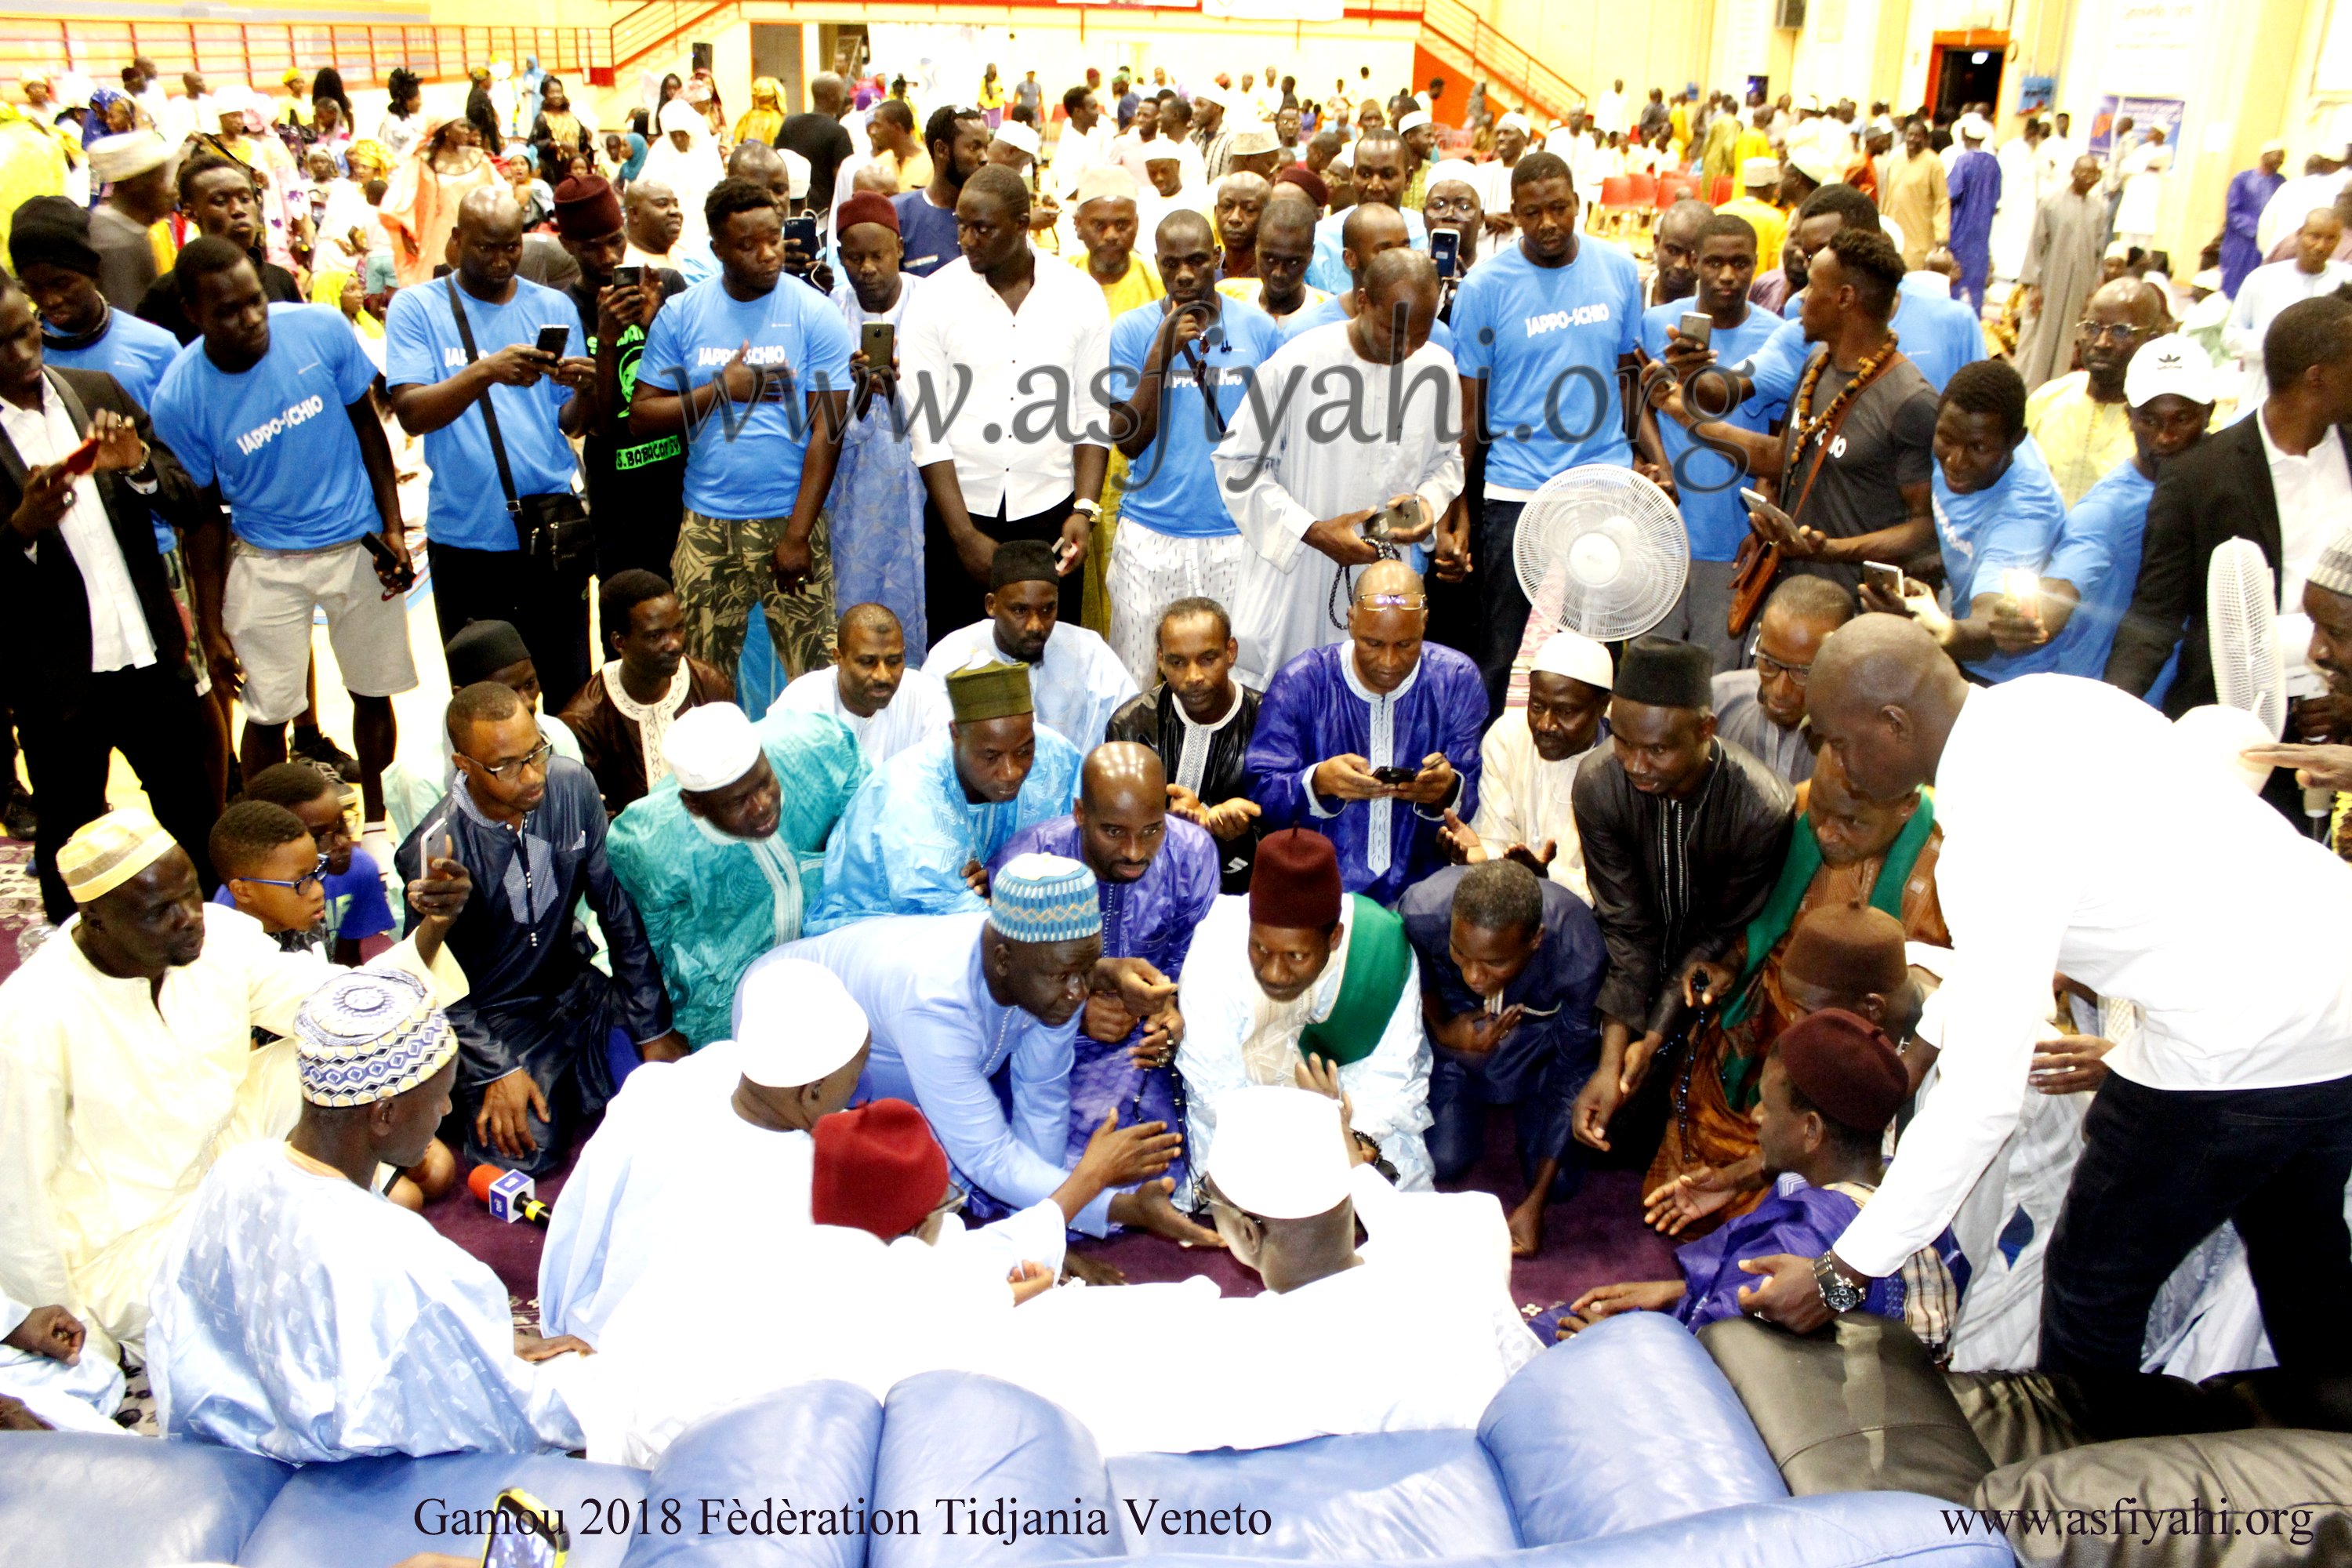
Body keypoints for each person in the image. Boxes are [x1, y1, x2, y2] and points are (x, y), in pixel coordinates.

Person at [1744, 615, 2352, 1381]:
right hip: (2339, 989)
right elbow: (2023, 938)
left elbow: (1981, 1105)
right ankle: (2332, 1460)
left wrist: (1840, 1274)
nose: (1836, 760)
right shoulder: (2051, 701)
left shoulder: (1992, 842)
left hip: (2234, 1045)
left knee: (2090, 1291)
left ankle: (2087, 1496)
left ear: (1893, 723)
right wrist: (1926, 1042)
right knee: (2306, 1274)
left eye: (1837, 739)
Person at [0, 806, 470, 1366]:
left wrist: (431, 932)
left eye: (190, 895)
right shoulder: (32, 1015)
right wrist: (50, 1309)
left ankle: (341, 1214)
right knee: (296, 1304)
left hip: (227, 1153)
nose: (189, 919)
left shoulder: (217, 936)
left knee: (323, 1045)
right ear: (95, 919)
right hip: (132, 1238)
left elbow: (335, 1002)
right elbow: (17, 1192)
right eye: (160, 912)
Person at [146, 966, 592, 1462]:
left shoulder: (234, 1172)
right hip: (343, 1488)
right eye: (440, 1094)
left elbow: (174, 1328)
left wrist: (485, 1346)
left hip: (222, 1449)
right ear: (383, 1114)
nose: (446, 1110)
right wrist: (535, 1375)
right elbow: (498, 1417)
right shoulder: (399, 1255)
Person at [774, 852, 1208, 1240]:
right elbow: (990, 1157)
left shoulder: (1052, 968)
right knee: (887, 1200)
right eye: (1064, 977)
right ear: (1003, 961)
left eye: (1087, 970)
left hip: (897, 1069)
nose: (1080, 993)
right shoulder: (936, 1003)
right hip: (785, 1035)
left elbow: (1042, 1094)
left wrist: (1049, 1228)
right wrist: (1112, 1203)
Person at [149, 239, 416, 827]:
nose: (250, 320)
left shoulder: (321, 329)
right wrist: (212, 623)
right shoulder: (179, 397)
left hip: (359, 547)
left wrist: (393, 528)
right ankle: (276, 835)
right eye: (228, 311)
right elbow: (202, 519)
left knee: (373, 693)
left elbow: (369, 428)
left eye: (255, 302)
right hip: (265, 558)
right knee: (268, 712)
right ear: (194, 314)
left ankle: (374, 823)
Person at [0, 270, 218, 923]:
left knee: (195, 816)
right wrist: (23, 530)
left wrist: (141, 469)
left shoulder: (97, 392)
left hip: (152, 655)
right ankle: (84, 978)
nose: (22, 355)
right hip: (57, 686)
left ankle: (215, 945)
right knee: (73, 843)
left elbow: (187, 496)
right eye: (1, 346)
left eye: (25, 331)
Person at [399, 681, 684, 1176]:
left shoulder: (572, 787)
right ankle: (486, 1094)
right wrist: (496, 1068)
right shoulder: (435, 850)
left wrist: (653, 1025)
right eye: (507, 765)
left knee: (674, 1083)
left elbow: (617, 912)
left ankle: (576, 1077)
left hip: (575, 989)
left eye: (537, 751)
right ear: (462, 766)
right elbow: (427, 980)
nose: (532, 775)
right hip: (495, 1018)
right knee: (528, 1149)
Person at [1641, 757, 1941, 1221]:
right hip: (1775, 1012)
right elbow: (1764, 917)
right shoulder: (1798, 805)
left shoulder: (1950, 857)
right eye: (1820, 814)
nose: (1825, 833)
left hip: (1862, 1055)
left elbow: (1925, 1007)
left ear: (1905, 808)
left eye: (1850, 823)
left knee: (1809, 1210)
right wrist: (1733, 964)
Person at [1567, 1009, 1959, 1350]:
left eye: (1767, 1105)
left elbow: (1710, 1352)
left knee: (1555, 1337)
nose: (1754, 1116)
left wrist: (1615, 1342)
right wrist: (1681, 1292)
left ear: (1811, 1131)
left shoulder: (1807, 1240)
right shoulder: (1899, 1187)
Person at [539, 955, 869, 1345]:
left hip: (595, 1319)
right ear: (811, 1090)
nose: (854, 1094)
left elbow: (577, 1222)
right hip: (663, 1368)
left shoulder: (676, 1083)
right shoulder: (799, 1188)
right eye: (851, 1081)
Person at [1568, 635, 1795, 1154]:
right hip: (1625, 971)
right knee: (1593, 1130)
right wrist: (1614, 1062)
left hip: (1713, 984)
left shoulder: (1761, 807)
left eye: (1659, 749)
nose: (1636, 765)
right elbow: (1627, 927)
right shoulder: (1600, 784)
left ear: (1705, 730)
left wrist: (1654, 1036)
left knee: (1662, 1137)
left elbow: (1721, 933)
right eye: (1623, 741)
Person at [633, 177, 854, 688]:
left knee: (816, 679)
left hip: (789, 517)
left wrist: (798, 534)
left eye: (774, 239)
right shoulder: (682, 313)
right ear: (717, 250)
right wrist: (721, 388)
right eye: (748, 245)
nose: (768, 254)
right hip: (707, 522)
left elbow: (830, 430)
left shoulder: (814, 314)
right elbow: (644, 414)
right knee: (700, 680)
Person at [386, 189, 596, 712]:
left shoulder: (551, 305)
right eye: (486, 248)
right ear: (456, 242)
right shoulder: (417, 308)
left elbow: (567, 421)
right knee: (487, 700)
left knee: (567, 683)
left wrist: (588, 388)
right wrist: (486, 370)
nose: (501, 261)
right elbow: (412, 411)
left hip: (548, 532)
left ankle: (570, 790)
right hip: (467, 541)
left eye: (511, 247)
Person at [1451, 152, 1646, 706]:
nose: (1548, 223)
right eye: (1533, 212)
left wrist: (1649, 458)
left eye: (1559, 208)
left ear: (1578, 205)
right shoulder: (1485, 288)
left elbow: (1628, 375)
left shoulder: (1618, 270)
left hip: (1603, 482)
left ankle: (1594, 775)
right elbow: (1471, 410)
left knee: (1598, 645)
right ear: (1514, 214)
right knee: (1497, 646)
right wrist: (1459, 506)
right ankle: (1476, 771)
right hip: (1516, 487)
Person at [1214, 251, 1460, 685]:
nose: (1403, 349)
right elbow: (1237, 463)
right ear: (1363, 301)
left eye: (1418, 337)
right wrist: (1314, 531)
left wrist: (1426, 504)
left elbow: (1447, 462)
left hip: (1383, 584)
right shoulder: (1298, 362)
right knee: (1290, 704)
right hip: (1297, 579)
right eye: (1391, 331)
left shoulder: (1437, 369)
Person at [992, 742, 1218, 1199]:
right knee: (1045, 1159)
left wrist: (1172, 1014)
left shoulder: (1192, 854)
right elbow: (1001, 983)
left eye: (1152, 829)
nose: (1135, 852)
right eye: (1114, 831)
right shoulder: (1032, 863)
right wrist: (1075, 1012)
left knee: (1164, 1151)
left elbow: (1195, 964)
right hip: (1044, 1040)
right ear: (1080, 814)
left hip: (1140, 1052)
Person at [2109, 297, 2352, 720]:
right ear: (2319, 378)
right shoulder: (2197, 476)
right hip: (2232, 720)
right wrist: (2108, 711)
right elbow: (2155, 614)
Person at [1685, 225, 1940, 599]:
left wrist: (1833, 550)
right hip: (1791, 591)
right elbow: (1781, 457)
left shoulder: (1910, 401)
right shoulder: (1816, 362)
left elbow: (1926, 528)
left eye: (1812, 286)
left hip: (1856, 610)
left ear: (1845, 298)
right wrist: (1686, 407)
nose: (1800, 300)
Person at [1177, 826, 1432, 1189]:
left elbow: (1391, 1074)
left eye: (1296, 956)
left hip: (1349, 1112)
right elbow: (1213, 1093)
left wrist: (1354, 1136)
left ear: (1335, 937)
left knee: (1398, 1186)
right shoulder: (1216, 948)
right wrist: (1305, 1126)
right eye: (1260, 949)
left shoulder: (1379, 948)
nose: (1274, 973)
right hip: (1250, 1124)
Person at [609, 701, 866, 1049]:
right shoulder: (653, 846)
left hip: (827, 957)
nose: (762, 805)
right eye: (737, 801)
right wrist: (659, 1029)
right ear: (695, 805)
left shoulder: (818, 748)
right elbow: (642, 949)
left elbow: (870, 828)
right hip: (723, 1001)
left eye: (765, 782)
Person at [1103, 211, 1284, 685]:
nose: (1184, 275)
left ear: (1220, 259)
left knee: (1238, 680)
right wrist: (1158, 356)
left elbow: (1276, 438)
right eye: (1171, 264)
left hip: (1236, 534)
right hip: (1149, 534)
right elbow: (1128, 440)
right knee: (1137, 678)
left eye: (1198, 261)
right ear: (1157, 264)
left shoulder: (1260, 331)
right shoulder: (1130, 329)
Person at [1247, 559, 1483, 906]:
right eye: (1373, 643)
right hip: (1317, 888)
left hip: (1424, 892)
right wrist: (1318, 783)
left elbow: (1472, 793)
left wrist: (1446, 790)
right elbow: (1261, 791)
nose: (1389, 662)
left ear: (1425, 623)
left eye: (1406, 645)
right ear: (1351, 621)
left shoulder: (1456, 680)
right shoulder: (1303, 681)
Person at [1402, 857, 1604, 1254]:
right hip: (1456, 1039)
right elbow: (1408, 966)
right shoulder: (1422, 911)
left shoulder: (1577, 947)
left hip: (1537, 1045)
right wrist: (1444, 1028)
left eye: (1495, 961)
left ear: (1535, 940)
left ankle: (1525, 1102)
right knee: (1443, 1160)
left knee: (1559, 1184)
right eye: (1460, 954)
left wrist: (1536, 1201)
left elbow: (1574, 1069)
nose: (1474, 976)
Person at [2006, 334, 2219, 681]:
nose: (2166, 436)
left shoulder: (2220, 480)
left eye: (2182, 419)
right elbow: (2062, 586)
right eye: (2150, 420)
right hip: (2104, 697)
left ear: (2208, 414)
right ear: (2129, 416)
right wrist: (2031, 618)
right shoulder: (2108, 511)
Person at [811, 659, 1083, 929]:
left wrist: (1004, 875)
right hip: (877, 931)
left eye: (1025, 751)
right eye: (991, 756)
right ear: (956, 734)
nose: (1011, 772)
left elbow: (1086, 839)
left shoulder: (1055, 757)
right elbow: (957, 922)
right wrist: (1015, 891)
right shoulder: (908, 797)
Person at [1641, 212, 1784, 669]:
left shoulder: (1777, 338)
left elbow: (1782, 439)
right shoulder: (1653, 325)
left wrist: (1764, 511)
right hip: (1661, 538)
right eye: (1715, 262)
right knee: (1652, 672)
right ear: (1696, 262)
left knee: (1714, 682)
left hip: (1733, 546)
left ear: (1757, 265)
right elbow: (1636, 407)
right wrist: (1655, 464)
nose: (1727, 276)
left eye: (1740, 264)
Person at [1881, 360, 2068, 684]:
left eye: (1978, 448)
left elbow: (1989, 617)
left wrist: (1942, 630)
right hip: (1961, 644)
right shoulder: (1962, 435)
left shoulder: (2028, 512)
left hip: (2009, 677)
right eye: (1946, 438)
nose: (1955, 460)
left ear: (2016, 441)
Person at [549, 174, 690, 583]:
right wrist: (607, 341)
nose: (610, 257)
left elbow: (692, 387)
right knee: (629, 631)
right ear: (568, 246)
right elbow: (602, 426)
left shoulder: (668, 287)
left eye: (615, 240)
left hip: (681, 490)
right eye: (593, 247)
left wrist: (655, 325)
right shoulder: (567, 311)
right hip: (618, 505)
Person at [826, 189, 929, 652]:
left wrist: (903, 391)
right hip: (853, 495)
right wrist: (861, 392)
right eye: (854, 257)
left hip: (924, 484)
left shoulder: (933, 304)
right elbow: (823, 416)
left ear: (900, 249)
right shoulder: (830, 311)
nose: (866, 268)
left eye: (877, 255)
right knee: (856, 602)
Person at [1109, 597, 1266, 895]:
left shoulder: (1269, 723)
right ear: (1160, 659)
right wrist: (1169, 825)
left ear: (1231, 652)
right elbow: (1113, 830)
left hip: (1237, 901)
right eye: (1177, 662)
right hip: (1143, 893)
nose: (1193, 677)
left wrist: (1233, 838)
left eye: (1207, 659)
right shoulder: (1131, 725)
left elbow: (1286, 838)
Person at [1439, 630, 1612, 902]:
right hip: (1504, 893)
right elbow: (1497, 841)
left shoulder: (1618, 768)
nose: (1546, 725)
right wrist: (1482, 855)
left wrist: (1546, 877)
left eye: (1566, 712)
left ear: (1603, 706)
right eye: (1537, 706)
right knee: (1423, 903)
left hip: (1579, 910)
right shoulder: (1508, 737)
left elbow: (1611, 886)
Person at [925, 538, 1135, 750]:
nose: (1036, 625)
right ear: (991, 605)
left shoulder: (1089, 651)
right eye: (1020, 611)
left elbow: (1130, 725)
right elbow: (934, 749)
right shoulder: (951, 658)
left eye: (1047, 609)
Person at [559, 570, 733, 815]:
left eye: (679, 628)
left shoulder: (709, 685)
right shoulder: (585, 721)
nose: (674, 644)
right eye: (655, 635)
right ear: (619, 642)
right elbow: (597, 820)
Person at [2022, 276, 2168, 509]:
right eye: (2092, 329)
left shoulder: (2158, 424)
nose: (2102, 342)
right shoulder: (2047, 400)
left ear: (2151, 340)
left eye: (2120, 332)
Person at [234, 762, 397, 965]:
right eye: (319, 836)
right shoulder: (243, 898)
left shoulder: (358, 870)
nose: (342, 842)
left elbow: (346, 961)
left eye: (343, 823)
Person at [135, 157, 303, 346]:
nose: (238, 210)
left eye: (245, 199)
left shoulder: (281, 280)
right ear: (190, 213)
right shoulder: (167, 293)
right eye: (221, 201)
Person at [1711, 575, 1854, 786]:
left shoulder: (1860, 741)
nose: (1780, 690)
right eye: (1768, 662)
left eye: (1803, 672)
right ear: (1759, 639)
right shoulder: (1718, 701)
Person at [773, 601, 953, 764]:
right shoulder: (803, 704)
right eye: (868, 662)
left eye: (894, 661)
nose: (883, 676)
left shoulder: (925, 697)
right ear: (839, 658)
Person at [2224, 207, 2351, 414]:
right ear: (2300, 234)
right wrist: (2279, 347)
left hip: (2320, 399)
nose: (2321, 246)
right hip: (2262, 389)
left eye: (2331, 239)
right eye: (2315, 236)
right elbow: (2231, 336)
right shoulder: (2262, 279)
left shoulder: (2345, 280)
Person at [2015, 156, 2108, 390]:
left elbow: (2099, 254)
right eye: (2084, 173)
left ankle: (2055, 390)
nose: (2089, 179)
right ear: (2073, 173)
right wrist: (2034, 285)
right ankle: (2028, 390)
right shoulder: (2051, 203)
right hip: (2048, 283)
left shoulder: (2099, 210)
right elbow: (2037, 245)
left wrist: (2092, 292)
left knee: (2068, 339)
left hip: (2079, 286)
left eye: (2093, 175)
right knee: (2039, 338)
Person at [377, 117, 499, 289]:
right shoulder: (424, 161)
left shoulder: (478, 158)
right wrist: (404, 232)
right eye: (462, 126)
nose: (467, 131)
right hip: (439, 232)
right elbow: (401, 197)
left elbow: (499, 191)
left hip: (475, 229)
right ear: (447, 130)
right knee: (441, 279)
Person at [80, 130, 175, 309]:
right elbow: (133, 317)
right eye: (161, 180)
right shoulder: (117, 244)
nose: (170, 191)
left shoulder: (122, 230)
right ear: (133, 185)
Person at [893, 106, 989, 277]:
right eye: (974, 148)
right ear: (941, 149)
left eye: (985, 148)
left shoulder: (994, 214)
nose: (984, 158)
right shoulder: (899, 215)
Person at [639, 100, 722, 256]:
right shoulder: (660, 150)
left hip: (703, 229)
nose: (678, 140)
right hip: (669, 232)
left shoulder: (707, 152)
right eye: (673, 135)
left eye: (682, 134)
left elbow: (718, 192)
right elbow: (644, 188)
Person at [776, 74, 855, 220]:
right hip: (824, 215)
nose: (843, 99)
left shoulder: (790, 124)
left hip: (791, 211)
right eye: (841, 93)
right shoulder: (838, 132)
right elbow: (843, 178)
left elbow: (777, 162)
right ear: (832, 96)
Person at [1944, 114, 2000, 316]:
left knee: (1957, 275)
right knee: (1976, 277)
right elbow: (1996, 199)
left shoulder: (1964, 161)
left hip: (1961, 229)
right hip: (1982, 231)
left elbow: (1951, 192)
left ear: (1965, 137)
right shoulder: (1994, 164)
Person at [1879, 119, 1949, 271]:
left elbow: (1942, 201)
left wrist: (1942, 236)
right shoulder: (1897, 160)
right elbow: (1887, 194)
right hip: (1892, 231)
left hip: (1918, 236)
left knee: (1911, 271)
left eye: (1917, 136)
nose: (1912, 139)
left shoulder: (1934, 164)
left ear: (1926, 140)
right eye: (1910, 135)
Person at [2223, 143, 2290, 297]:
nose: (2279, 162)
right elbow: (2233, 212)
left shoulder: (2281, 182)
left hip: (2267, 242)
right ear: (2264, 156)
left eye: (2282, 159)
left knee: (2258, 283)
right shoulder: (2242, 179)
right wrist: (2256, 230)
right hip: (2241, 241)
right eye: (2276, 157)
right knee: (2234, 282)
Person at [1718, 157, 1789, 283]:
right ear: (1766, 188)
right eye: (1774, 188)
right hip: (1760, 295)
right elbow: (1777, 265)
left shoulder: (1719, 212)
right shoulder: (1776, 218)